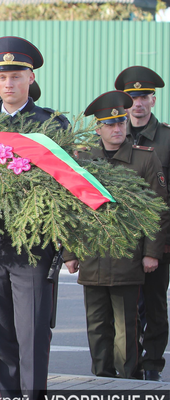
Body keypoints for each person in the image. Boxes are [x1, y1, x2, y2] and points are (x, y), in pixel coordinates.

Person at [0, 36, 69, 400]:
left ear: (31, 78)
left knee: (33, 332)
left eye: (16, 76)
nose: (9, 83)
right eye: (2, 76)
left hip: (34, 245)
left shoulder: (51, 124)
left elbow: (66, 185)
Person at [63, 90, 168, 379]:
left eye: (121, 122)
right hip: (92, 258)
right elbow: (71, 208)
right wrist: (70, 253)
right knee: (97, 326)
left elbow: (158, 211)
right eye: (110, 125)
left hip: (128, 259)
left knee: (126, 328)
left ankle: (129, 380)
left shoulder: (144, 159)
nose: (118, 129)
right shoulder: (83, 159)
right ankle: (101, 379)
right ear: (98, 129)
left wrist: (151, 253)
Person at [115, 66, 170, 381]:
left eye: (144, 97)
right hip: (121, 238)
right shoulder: (113, 132)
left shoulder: (166, 137)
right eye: (132, 97)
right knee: (124, 306)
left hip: (157, 235)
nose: (138, 103)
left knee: (154, 303)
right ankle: (129, 363)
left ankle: (152, 364)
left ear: (153, 100)